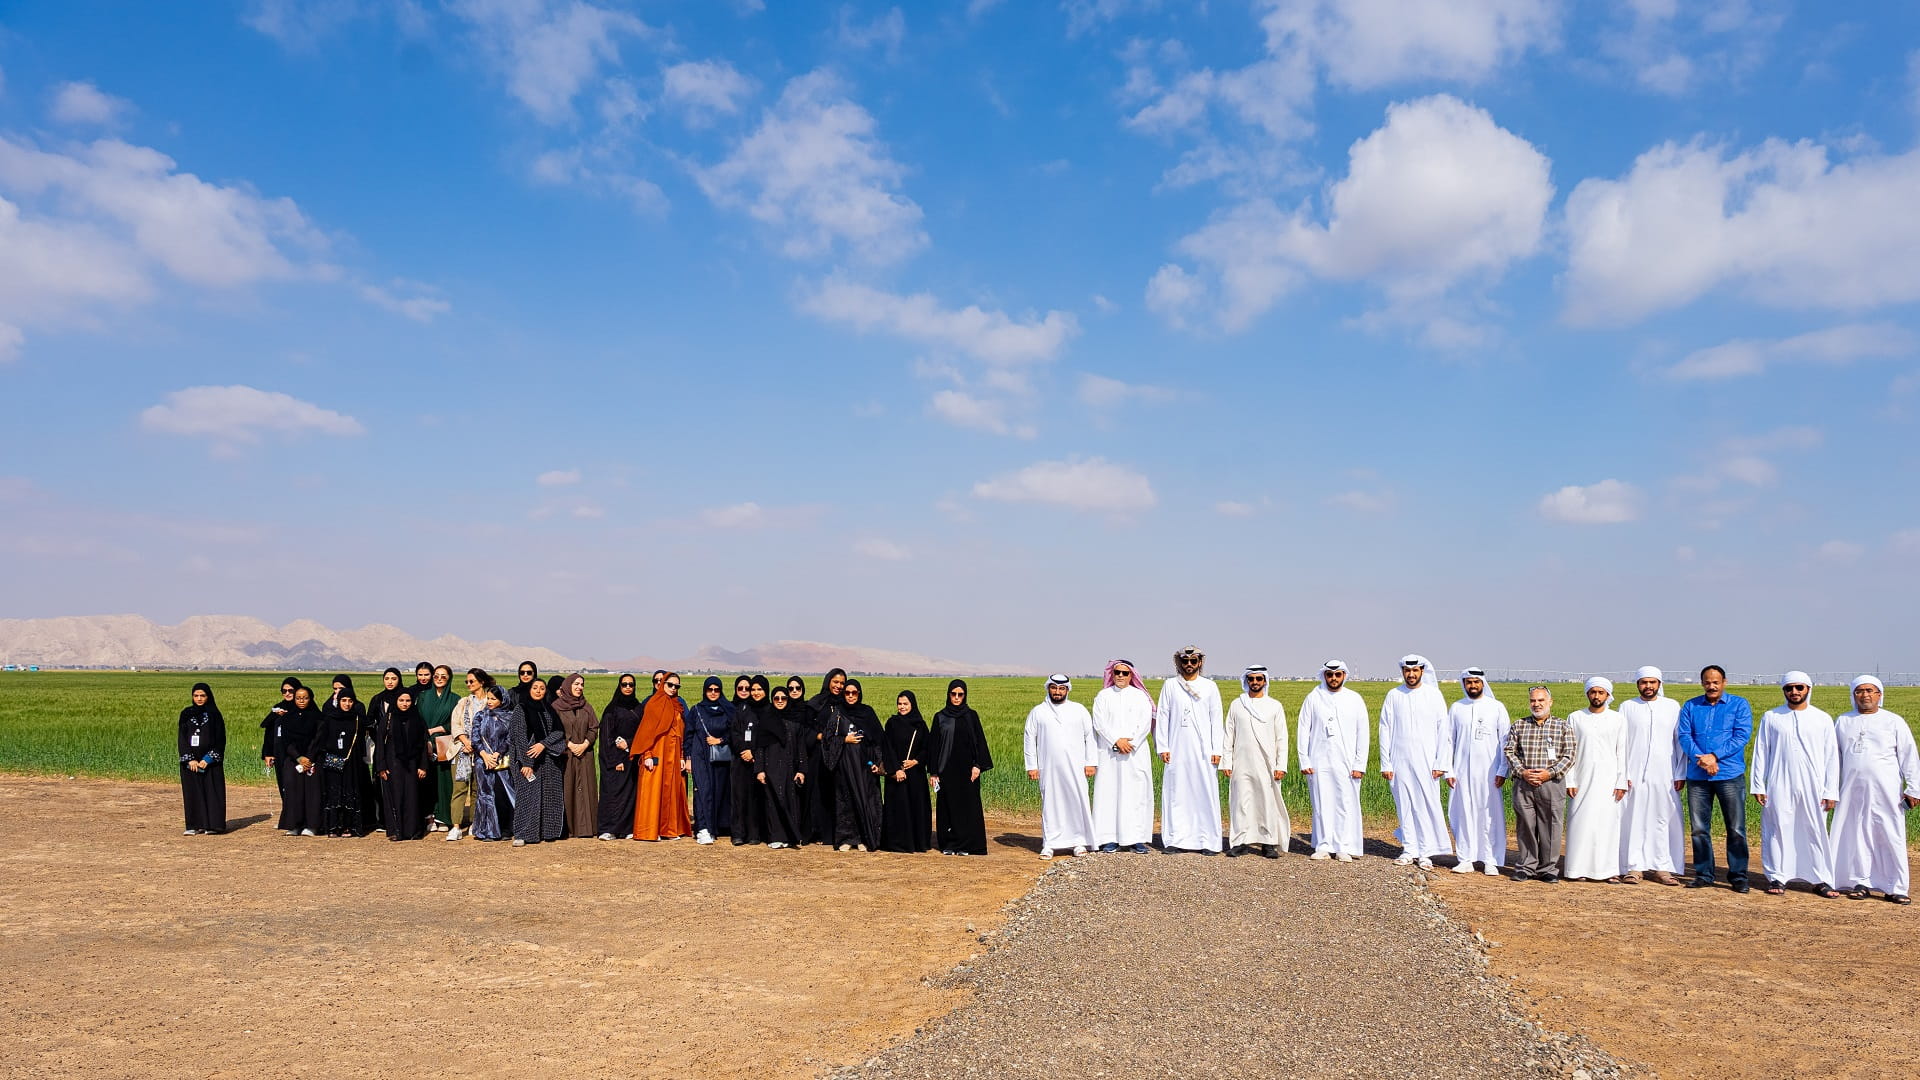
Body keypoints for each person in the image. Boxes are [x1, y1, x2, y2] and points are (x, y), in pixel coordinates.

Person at [1831, 676, 1920, 904]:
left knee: (1890, 835)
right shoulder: (1843, 721)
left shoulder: (1893, 721)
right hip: (1851, 791)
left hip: (1887, 792)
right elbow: (1833, 759)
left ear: (1879, 694)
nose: (1865, 695)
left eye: (1870, 690)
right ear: (1854, 695)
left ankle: (1896, 887)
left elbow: (1909, 756)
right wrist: (1829, 789)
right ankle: (1860, 882)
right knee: (1856, 835)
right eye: (1859, 691)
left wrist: (1914, 788)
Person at [1750, 672, 1840, 897]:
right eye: (1789, 688)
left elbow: (1831, 757)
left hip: (1815, 785)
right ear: (1784, 691)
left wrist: (1831, 790)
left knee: (1815, 829)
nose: (1794, 692)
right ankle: (1777, 877)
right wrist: (1758, 785)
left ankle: (1820, 879)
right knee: (1778, 828)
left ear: (1808, 689)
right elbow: (1761, 751)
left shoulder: (1822, 718)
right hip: (1779, 782)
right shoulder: (1772, 717)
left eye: (1799, 687)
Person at [1678, 664, 1754, 892]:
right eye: (1707, 682)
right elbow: (1684, 735)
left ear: (1724, 682)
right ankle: (1703, 874)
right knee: (1700, 828)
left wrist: (1714, 756)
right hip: (1698, 776)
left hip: (1729, 773)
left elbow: (1742, 735)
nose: (1711, 686)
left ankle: (1739, 876)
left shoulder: (1739, 705)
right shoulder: (1691, 706)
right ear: (1702, 683)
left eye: (1716, 682)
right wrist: (1701, 758)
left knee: (1736, 828)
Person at [1380, 654, 1453, 869]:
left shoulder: (1433, 695)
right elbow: (1385, 728)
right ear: (1403, 671)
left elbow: (1443, 732)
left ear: (1422, 671)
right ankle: (1409, 848)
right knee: (1405, 805)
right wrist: (1386, 762)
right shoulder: (1394, 695)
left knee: (1424, 806)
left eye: (1415, 671)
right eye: (1407, 671)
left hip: (1427, 762)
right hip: (1399, 760)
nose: (1411, 675)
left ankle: (1425, 852)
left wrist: (1441, 763)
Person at [1618, 666, 1686, 885]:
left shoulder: (1672, 706)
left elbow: (1680, 743)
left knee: (1662, 819)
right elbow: (1620, 742)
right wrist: (1622, 773)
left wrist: (1680, 772)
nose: (1648, 686)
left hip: (1665, 774)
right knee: (1633, 818)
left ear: (1659, 684)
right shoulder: (1627, 707)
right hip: (1633, 773)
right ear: (1638, 684)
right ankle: (1634, 867)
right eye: (1644, 682)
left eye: (1652, 682)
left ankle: (1662, 867)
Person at [1156, 646, 1224, 855]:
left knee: (1204, 792)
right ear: (1179, 663)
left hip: (1203, 750)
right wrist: (1163, 746)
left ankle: (1208, 842)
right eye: (1185, 661)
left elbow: (1216, 718)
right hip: (1177, 749)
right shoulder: (1170, 685)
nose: (1189, 665)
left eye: (1193, 661)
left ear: (1200, 663)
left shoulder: (1210, 687)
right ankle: (1176, 839)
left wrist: (1216, 749)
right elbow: (1163, 716)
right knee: (1177, 793)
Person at [1503, 686, 1575, 883]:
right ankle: (1526, 866)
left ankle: (1548, 868)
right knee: (1526, 825)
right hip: (1524, 783)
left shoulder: (1562, 726)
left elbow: (1569, 755)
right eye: (1533, 701)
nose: (1537, 704)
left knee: (1551, 825)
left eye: (1541, 700)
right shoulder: (1519, 725)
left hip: (1552, 783)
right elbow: (1510, 751)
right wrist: (1523, 772)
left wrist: (1547, 774)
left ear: (1550, 702)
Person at [1299, 660, 1369, 861]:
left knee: (1344, 803)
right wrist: (1305, 760)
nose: (1334, 678)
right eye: (1330, 675)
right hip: (1319, 760)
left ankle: (1343, 846)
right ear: (1324, 676)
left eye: (1338, 675)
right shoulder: (1314, 698)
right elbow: (1303, 730)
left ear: (1344, 676)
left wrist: (1359, 764)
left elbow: (1363, 733)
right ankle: (1323, 845)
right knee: (1321, 802)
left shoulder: (1354, 699)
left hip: (1346, 763)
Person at [1024, 674, 1097, 860]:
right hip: (1049, 769)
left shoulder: (1078, 710)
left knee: (1077, 801)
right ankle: (1050, 844)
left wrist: (1091, 763)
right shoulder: (1038, 712)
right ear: (1048, 688)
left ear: (1067, 690)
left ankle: (1078, 842)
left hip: (1076, 768)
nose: (1057, 692)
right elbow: (1029, 740)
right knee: (1051, 804)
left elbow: (1090, 737)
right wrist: (1032, 766)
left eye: (1061, 688)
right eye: (1054, 688)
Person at [1563, 677, 1627, 883]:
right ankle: (1576, 869)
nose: (1596, 696)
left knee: (1607, 824)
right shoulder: (1575, 717)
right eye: (1593, 692)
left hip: (1609, 780)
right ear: (1587, 694)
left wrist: (1621, 781)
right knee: (1580, 823)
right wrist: (1570, 780)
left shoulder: (1618, 719)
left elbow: (1622, 752)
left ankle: (1608, 871)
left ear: (1608, 695)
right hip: (1581, 779)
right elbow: (1569, 751)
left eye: (1601, 692)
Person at [1446, 667, 1509, 876]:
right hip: (1462, 771)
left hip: (1490, 773)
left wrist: (1503, 769)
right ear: (1464, 684)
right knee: (1463, 812)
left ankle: (1491, 859)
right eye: (1468, 682)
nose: (1472, 686)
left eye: (1476, 682)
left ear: (1483, 683)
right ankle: (1465, 858)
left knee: (1489, 814)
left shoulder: (1496, 707)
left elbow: (1506, 741)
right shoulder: (1457, 708)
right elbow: (1448, 741)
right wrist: (1448, 770)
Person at [1219, 666, 1287, 858]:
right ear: (1246, 681)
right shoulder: (1237, 704)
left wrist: (1281, 765)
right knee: (1241, 802)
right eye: (1251, 679)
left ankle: (1269, 843)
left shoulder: (1274, 706)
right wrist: (1227, 762)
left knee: (1267, 801)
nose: (1255, 682)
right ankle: (1240, 842)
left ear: (1265, 681)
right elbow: (1228, 734)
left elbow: (1281, 738)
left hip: (1266, 763)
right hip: (1240, 762)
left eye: (1259, 679)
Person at [1090, 659, 1155, 854]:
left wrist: (1130, 743)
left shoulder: (1140, 696)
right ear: (1112, 674)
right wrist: (1116, 741)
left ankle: (1137, 838)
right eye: (1117, 672)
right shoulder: (1103, 696)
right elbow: (1099, 723)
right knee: (1109, 794)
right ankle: (1109, 838)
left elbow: (1145, 723)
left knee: (1136, 794)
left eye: (1124, 673)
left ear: (1131, 676)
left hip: (1135, 755)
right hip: (1109, 754)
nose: (1120, 676)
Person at [931, 678, 993, 856]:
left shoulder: (971, 715)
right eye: (953, 694)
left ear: (965, 695)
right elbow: (934, 747)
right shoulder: (940, 717)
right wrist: (934, 772)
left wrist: (977, 765)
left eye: (960, 694)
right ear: (948, 694)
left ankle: (967, 845)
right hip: (946, 770)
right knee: (948, 807)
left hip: (968, 771)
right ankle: (949, 844)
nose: (956, 698)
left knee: (968, 807)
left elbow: (979, 742)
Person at [632, 672, 692, 841]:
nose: (673, 689)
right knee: (654, 792)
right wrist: (648, 754)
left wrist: (681, 756)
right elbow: (646, 732)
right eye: (670, 685)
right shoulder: (653, 704)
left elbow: (680, 733)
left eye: (676, 686)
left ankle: (669, 830)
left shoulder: (678, 706)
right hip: (657, 753)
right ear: (662, 684)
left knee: (671, 792)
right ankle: (650, 831)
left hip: (673, 756)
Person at [510, 675, 567, 846]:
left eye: (542, 688)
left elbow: (559, 731)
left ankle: (547, 832)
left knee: (549, 796)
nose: (539, 691)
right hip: (527, 761)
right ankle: (522, 834)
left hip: (548, 760)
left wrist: (543, 744)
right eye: (535, 688)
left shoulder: (548, 709)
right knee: (527, 797)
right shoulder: (521, 709)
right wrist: (526, 763)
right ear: (529, 690)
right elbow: (519, 738)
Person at [309, 685, 368, 837]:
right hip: (332, 761)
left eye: (350, 701)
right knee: (334, 792)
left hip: (352, 762)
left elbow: (364, 738)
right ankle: (334, 826)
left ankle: (349, 826)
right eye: (344, 700)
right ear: (338, 701)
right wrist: (311, 758)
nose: (347, 704)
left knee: (349, 792)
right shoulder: (329, 718)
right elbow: (320, 739)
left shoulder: (358, 719)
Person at [685, 676, 735, 845]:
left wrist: (720, 740)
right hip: (700, 756)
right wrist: (688, 758)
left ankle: (715, 828)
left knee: (718, 791)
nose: (713, 693)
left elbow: (734, 732)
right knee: (702, 791)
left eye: (716, 690)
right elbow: (689, 735)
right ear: (705, 691)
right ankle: (702, 828)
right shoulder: (697, 710)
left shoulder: (728, 709)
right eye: (710, 690)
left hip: (720, 758)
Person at [881, 690, 933, 853]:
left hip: (915, 775)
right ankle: (898, 843)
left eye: (905, 704)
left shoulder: (920, 725)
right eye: (899, 704)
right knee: (898, 808)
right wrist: (896, 769)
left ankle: (917, 842)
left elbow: (928, 747)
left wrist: (916, 761)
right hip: (896, 775)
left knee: (915, 807)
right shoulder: (892, 723)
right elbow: (887, 748)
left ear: (912, 705)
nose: (902, 707)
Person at [376, 689, 429, 841]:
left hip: (412, 765)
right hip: (392, 764)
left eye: (408, 701)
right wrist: (381, 766)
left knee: (412, 797)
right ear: (395, 702)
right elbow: (380, 744)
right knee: (395, 796)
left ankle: (412, 831)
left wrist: (423, 766)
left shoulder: (417, 719)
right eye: (401, 701)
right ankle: (396, 831)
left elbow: (423, 745)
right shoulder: (388, 719)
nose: (405, 704)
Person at [728, 676, 775, 846]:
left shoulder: (770, 711)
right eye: (753, 689)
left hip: (761, 761)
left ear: (766, 691)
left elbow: (769, 736)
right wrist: (743, 750)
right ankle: (738, 833)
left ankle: (755, 833)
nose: (755, 693)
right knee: (739, 796)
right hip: (741, 760)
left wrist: (754, 752)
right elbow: (735, 732)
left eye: (759, 689)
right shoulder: (743, 709)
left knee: (757, 797)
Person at [443, 668, 489, 842]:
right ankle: (456, 826)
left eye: (472, 681)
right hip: (462, 752)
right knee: (459, 789)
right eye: (467, 682)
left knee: (478, 790)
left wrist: (477, 745)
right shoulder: (463, 702)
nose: (469, 684)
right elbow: (455, 724)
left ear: (481, 682)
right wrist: (465, 741)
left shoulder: (490, 702)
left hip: (481, 754)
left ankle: (474, 823)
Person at [552, 672, 600, 839]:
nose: (580, 687)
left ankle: (587, 828)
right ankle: (568, 828)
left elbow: (594, 728)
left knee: (586, 789)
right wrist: (570, 745)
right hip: (566, 755)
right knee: (568, 788)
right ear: (568, 686)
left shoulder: (586, 707)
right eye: (576, 684)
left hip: (585, 754)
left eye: (582, 684)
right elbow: (554, 730)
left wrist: (585, 744)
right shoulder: (556, 707)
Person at [804, 669, 849, 845]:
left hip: (841, 754)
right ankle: (819, 832)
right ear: (828, 681)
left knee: (838, 791)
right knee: (819, 792)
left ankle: (839, 832)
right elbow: (806, 728)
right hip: (819, 755)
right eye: (835, 682)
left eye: (842, 683)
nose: (839, 686)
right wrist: (820, 736)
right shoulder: (816, 703)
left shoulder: (846, 703)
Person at [596, 674, 643, 841]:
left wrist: (629, 744)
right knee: (613, 794)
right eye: (624, 684)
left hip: (632, 756)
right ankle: (608, 829)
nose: (628, 687)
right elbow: (607, 738)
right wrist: (615, 760)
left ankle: (626, 828)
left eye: (631, 684)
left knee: (630, 794)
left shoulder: (638, 707)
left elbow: (641, 733)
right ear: (620, 686)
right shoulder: (612, 709)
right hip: (615, 759)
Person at [760, 685, 808, 848]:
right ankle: (775, 837)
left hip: (790, 767)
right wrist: (759, 770)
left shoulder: (795, 721)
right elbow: (759, 747)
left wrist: (801, 770)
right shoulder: (766, 719)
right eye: (776, 698)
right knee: (772, 802)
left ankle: (789, 836)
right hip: (770, 766)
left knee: (789, 801)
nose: (780, 701)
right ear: (772, 700)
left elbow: (801, 747)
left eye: (783, 698)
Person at [177, 682, 227, 835]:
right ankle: (194, 825)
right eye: (196, 695)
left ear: (208, 696)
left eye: (202, 695)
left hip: (209, 763)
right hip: (191, 762)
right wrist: (190, 759)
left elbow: (220, 739)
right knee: (193, 792)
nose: (199, 698)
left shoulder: (214, 715)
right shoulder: (186, 714)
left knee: (212, 792)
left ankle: (213, 825)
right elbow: (182, 738)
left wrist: (208, 759)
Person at [417, 664, 461, 833]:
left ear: (449, 678)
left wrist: (435, 730)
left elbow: (456, 723)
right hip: (424, 743)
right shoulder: (423, 697)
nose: (439, 679)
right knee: (427, 781)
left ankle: (444, 817)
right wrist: (426, 740)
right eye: (436, 676)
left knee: (444, 781)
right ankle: (429, 817)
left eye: (443, 676)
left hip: (445, 745)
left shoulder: (455, 699)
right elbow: (418, 719)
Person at [470, 683, 516, 842]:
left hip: (501, 763)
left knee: (502, 796)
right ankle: (486, 830)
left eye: (493, 699)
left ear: (502, 700)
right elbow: (475, 739)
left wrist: (496, 754)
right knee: (485, 796)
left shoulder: (510, 717)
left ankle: (505, 829)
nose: (489, 701)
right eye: (488, 698)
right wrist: (484, 755)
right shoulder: (480, 716)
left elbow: (510, 739)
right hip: (483, 763)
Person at [276, 684, 323, 835]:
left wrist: (309, 758)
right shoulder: (287, 718)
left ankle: (312, 825)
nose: (301, 701)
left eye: (305, 698)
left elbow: (319, 739)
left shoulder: (318, 717)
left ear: (311, 699)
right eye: (298, 698)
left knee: (312, 793)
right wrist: (298, 757)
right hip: (293, 760)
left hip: (313, 760)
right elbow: (286, 741)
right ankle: (294, 825)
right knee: (293, 791)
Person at [365, 667, 405, 833]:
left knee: (402, 784)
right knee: (382, 782)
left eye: (393, 678)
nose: (390, 681)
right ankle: (383, 820)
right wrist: (380, 739)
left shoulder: (404, 698)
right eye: (387, 678)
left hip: (402, 749)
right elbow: (369, 722)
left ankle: (402, 818)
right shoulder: (377, 699)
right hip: (382, 748)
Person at [261, 677, 301, 828]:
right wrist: (267, 753)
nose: (288, 693)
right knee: (283, 785)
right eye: (284, 691)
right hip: (278, 753)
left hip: (295, 754)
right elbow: (268, 731)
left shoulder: (301, 708)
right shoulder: (277, 708)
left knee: (294, 785)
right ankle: (287, 818)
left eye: (291, 690)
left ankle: (297, 819)